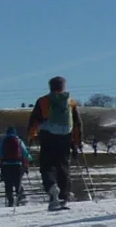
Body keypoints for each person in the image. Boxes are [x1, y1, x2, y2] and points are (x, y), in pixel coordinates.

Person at [26, 77, 82, 212]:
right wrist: (76, 143)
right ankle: (64, 195)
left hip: (47, 136)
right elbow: (77, 123)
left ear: (50, 87)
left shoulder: (43, 101)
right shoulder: (70, 102)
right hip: (66, 136)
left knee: (47, 164)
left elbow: (34, 120)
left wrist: (31, 136)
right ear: (64, 87)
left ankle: (52, 188)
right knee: (63, 165)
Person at [0, 127, 30, 207]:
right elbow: (25, 153)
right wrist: (30, 159)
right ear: (15, 133)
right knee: (17, 183)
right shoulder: (19, 141)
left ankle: (10, 201)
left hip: (6, 166)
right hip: (17, 165)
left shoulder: (3, 141)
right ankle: (20, 199)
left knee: (8, 184)